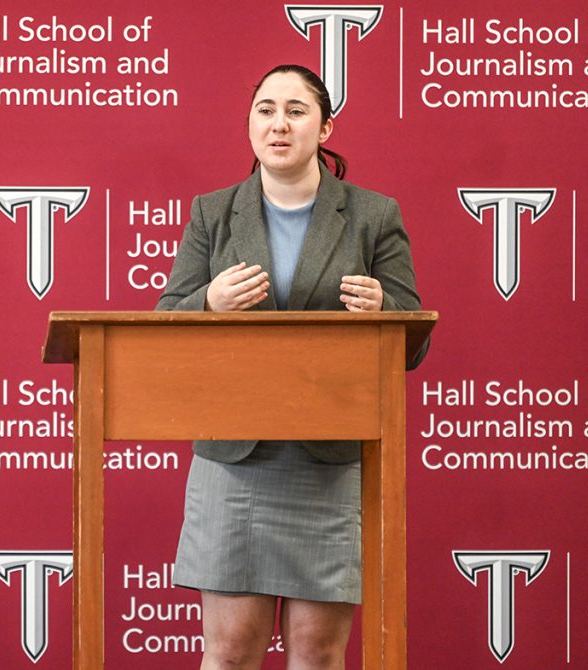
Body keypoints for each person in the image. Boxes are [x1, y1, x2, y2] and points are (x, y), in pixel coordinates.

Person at [156, 64, 426, 670]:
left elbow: (413, 340)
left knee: (318, 654)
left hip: (326, 461)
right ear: (250, 124)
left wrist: (386, 310)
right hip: (234, 461)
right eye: (266, 109)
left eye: (297, 111)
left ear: (325, 126)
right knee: (227, 653)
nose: (279, 124)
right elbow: (166, 321)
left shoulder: (373, 215)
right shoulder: (211, 213)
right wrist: (208, 304)